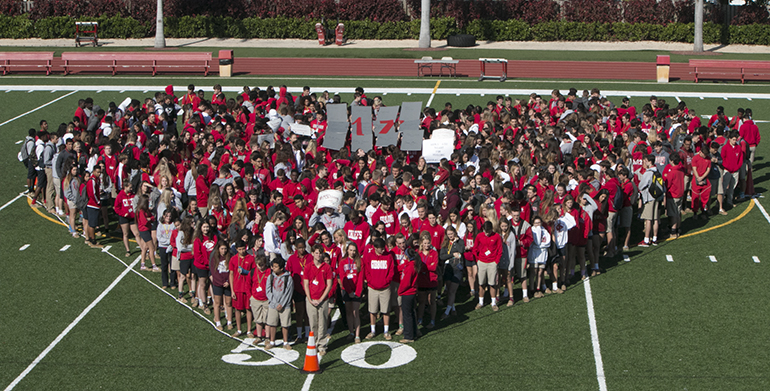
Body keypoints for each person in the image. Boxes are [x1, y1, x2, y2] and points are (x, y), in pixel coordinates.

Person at [303, 244, 333, 356]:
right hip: (311, 298)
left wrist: (321, 298)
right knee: (313, 323)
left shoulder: (326, 267)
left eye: (320, 253)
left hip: (323, 299)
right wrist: (310, 299)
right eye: (316, 253)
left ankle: (322, 345)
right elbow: (305, 284)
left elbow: (329, 284)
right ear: (312, 254)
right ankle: (314, 343)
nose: (318, 255)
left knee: (322, 323)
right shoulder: (308, 267)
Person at [362, 238, 395, 340]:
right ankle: (372, 330)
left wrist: (387, 281)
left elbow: (391, 271)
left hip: (385, 288)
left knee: (386, 310)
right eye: (381, 249)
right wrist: (370, 281)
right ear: (375, 248)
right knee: (372, 310)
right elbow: (366, 270)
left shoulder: (388, 256)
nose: (383, 250)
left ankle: (386, 331)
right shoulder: (369, 256)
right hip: (372, 288)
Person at [265, 257, 294, 350]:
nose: (273, 268)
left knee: (285, 324)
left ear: (281, 268)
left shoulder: (288, 278)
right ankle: (272, 341)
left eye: (276, 267)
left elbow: (289, 293)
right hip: (273, 305)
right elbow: (268, 291)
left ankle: (285, 342)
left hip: (285, 306)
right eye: (273, 266)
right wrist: (275, 303)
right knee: (272, 324)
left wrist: (282, 304)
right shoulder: (270, 277)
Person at [338, 243, 363, 343]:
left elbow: (361, 277)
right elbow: (342, 276)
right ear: (347, 250)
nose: (352, 252)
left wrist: (357, 291)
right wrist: (349, 291)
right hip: (346, 290)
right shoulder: (342, 262)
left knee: (355, 312)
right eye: (350, 250)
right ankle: (351, 332)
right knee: (348, 312)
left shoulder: (359, 261)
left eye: (354, 250)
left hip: (357, 290)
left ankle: (357, 335)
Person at [474, 221, 502, 311]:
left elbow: (500, 250)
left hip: (492, 263)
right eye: (486, 231)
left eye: (489, 231)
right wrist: (477, 260)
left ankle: (493, 302)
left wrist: (496, 261)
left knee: (492, 283)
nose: (487, 233)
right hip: (482, 262)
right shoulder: (479, 236)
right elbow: (474, 249)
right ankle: (481, 302)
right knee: (481, 283)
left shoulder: (497, 236)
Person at [229, 240, 255, 337]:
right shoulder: (233, 259)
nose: (242, 251)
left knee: (249, 309)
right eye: (239, 249)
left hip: (248, 288)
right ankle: (239, 330)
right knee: (238, 309)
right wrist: (232, 290)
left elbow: (254, 272)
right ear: (236, 249)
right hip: (237, 288)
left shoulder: (251, 258)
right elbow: (231, 274)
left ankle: (249, 331)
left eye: (243, 249)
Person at [438, 226, 464, 319]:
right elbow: (442, 256)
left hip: (457, 268)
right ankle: (453, 309)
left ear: (455, 233)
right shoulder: (445, 243)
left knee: (452, 290)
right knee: (449, 290)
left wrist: (456, 242)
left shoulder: (460, 242)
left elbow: (461, 251)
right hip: (448, 268)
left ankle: (447, 312)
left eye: (451, 234)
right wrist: (452, 254)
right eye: (448, 234)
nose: (450, 236)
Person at [193, 220, 217, 312]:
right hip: (202, 266)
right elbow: (197, 255)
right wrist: (207, 262)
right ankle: (204, 304)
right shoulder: (198, 239)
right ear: (200, 228)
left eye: (207, 227)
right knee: (202, 284)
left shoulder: (214, 237)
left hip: (212, 265)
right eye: (204, 227)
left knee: (213, 282)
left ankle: (216, 302)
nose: (206, 229)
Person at [638, 155, 662, 247]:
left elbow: (641, 186)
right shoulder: (657, 171)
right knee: (655, 218)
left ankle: (646, 239)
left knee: (648, 219)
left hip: (649, 197)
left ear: (649, 161)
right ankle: (655, 238)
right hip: (657, 197)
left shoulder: (648, 173)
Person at [210, 240, 234, 331]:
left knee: (229, 302)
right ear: (218, 249)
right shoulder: (214, 258)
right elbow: (213, 272)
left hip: (228, 283)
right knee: (217, 303)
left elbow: (232, 270)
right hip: (218, 284)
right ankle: (218, 321)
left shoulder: (230, 257)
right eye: (222, 249)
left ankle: (230, 321)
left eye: (225, 249)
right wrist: (220, 282)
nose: (223, 251)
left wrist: (228, 281)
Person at [398, 248, 420, 344]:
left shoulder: (410, 267)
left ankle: (408, 336)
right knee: (411, 313)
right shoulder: (413, 265)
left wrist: (400, 291)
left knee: (407, 315)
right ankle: (414, 332)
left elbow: (406, 282)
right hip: (411, 293)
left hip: (407, 293)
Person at [416, 236, 439, 329]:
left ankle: (432, 320)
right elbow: (417, 267)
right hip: (421, 281)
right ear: (421, 243)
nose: (426, 245)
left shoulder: (434, 253)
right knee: (421, 301)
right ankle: (420, 319)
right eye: (425, 243)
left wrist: (424, 268)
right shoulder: (419, 253)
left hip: (432, 281)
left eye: (428, 243)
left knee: (432, 301)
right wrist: (429, 266)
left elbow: (434, 267)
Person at [528, 216, 551, 298]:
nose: (538, 224)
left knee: (540, 271)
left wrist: (541, 246)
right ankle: (531, 289)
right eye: (536, 223)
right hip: (534, 254)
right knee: (533, 272)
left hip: (542, 254)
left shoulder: (544, 230)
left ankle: (538, 288)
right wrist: (540, 245)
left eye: (539, 222)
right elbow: (535, 242)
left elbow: (548, 242)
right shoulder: (532, 230)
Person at [250, 254, 271, 340]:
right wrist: (250, 296)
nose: (261, 267)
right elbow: (248, 284)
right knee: (258, 319)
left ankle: (267, 337)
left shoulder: (269, 271)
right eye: (259, 265)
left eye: (262, 265)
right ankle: (259, 336)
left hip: (267, 299)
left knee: (267, 319)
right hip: (256, 298)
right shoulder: (253, 271)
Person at [136, 194, 158, 271]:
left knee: (144, 248)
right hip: (144, 230)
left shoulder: (146, 210)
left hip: (147, 229)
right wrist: (149, 219)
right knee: (151, 248)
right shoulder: (141, 211)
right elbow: (144, 221)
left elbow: (153, 217)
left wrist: (149, 218)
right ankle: (154, 266)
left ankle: (142, 265)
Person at [157, 209, 177, 289]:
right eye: (167, 216)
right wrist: (168, 241)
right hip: (162, 247)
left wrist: (170, 242)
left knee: (172, 266)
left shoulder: (173, 225)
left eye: (170, 216)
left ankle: (173, 282)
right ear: (163, 216)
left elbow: (175, 236)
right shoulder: (160, 225)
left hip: (171, 247)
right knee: (164, 265)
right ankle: (164, 283)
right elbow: (159, 237)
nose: (168, 218)